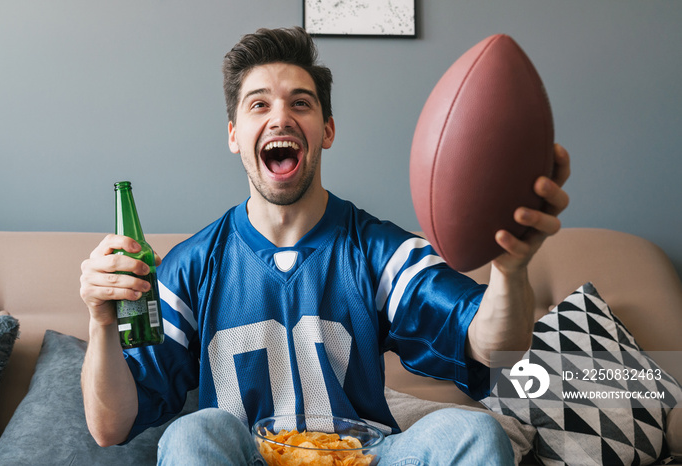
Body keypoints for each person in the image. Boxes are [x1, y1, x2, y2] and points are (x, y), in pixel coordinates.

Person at [80, 26, 570, 465]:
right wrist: (102, 321)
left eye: (301, 103)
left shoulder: (378, 251)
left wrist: (509, 269)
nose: (280, 118)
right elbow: (110, 426)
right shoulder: (192, 266)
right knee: (193, 432)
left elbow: (495, 348)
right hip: (248, 457)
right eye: (258, 104)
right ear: (234, 135)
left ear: (326, 131)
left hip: (363, 455)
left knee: (474, 431)